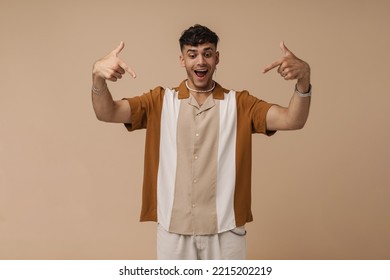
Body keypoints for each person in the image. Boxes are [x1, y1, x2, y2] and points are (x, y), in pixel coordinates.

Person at [91, 24, 311, 260]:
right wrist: (97, 78)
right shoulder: (159, 101)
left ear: (217, 58)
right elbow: (107, 113)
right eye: (192, 54)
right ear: (182, 59)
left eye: (207, 53)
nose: (200, 62)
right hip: (173, 229)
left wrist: (304, 80)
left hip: (226, 231)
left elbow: (292, 120)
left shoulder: (240, 104)